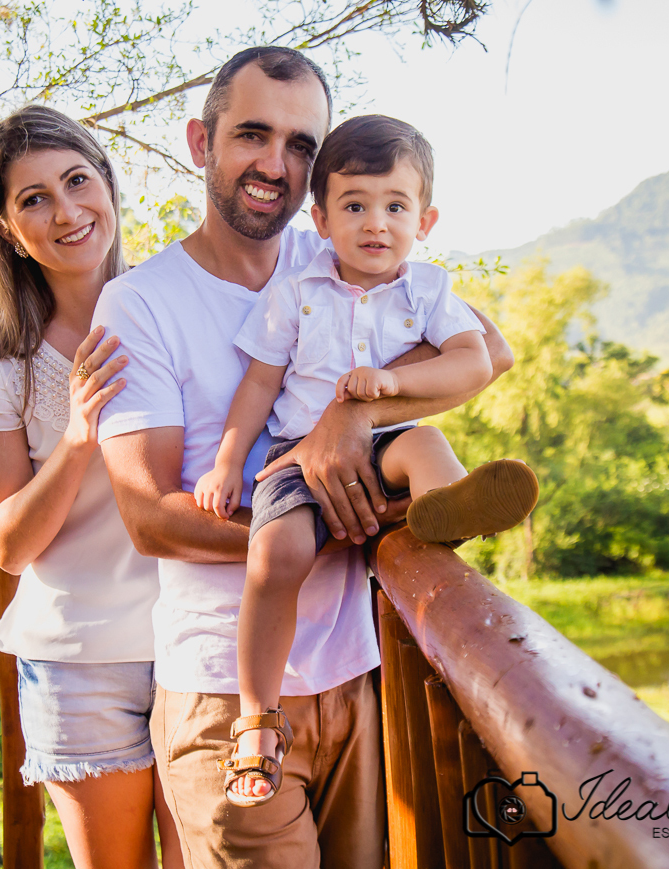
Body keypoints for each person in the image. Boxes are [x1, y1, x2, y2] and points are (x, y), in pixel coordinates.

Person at [93, 48, 514, 868]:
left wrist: (352, 415)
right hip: (226, 690)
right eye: (253, 135)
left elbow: (488, 352)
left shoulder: (346, 252)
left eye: (300, 146)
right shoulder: (140, 303)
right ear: (200, 141)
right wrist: (329, 524)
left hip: (355, 669)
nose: (275, 164)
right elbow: (149, 519)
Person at [193, 114, 539, 806]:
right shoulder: (297, 290)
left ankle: (446, 510)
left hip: (391, 440)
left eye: (395, 206)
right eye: (354, 206)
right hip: (297, 455)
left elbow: (473, 361)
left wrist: (394, 384)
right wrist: (229, 460)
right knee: (275, 558)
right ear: (321, 219)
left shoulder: (429, 292)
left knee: (426, 444)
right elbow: (259, 382)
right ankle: (257, 718)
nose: (375, 223)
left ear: (425, 219)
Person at [0, 104, 182, 869]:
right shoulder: (2, 362)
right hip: (80, 663)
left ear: (109, 186)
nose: (66, 211)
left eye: (77, 180)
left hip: (198, 644)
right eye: (33, 199)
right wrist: (80, 438)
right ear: (5, 228)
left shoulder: (174, 309)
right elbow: (9, 543)